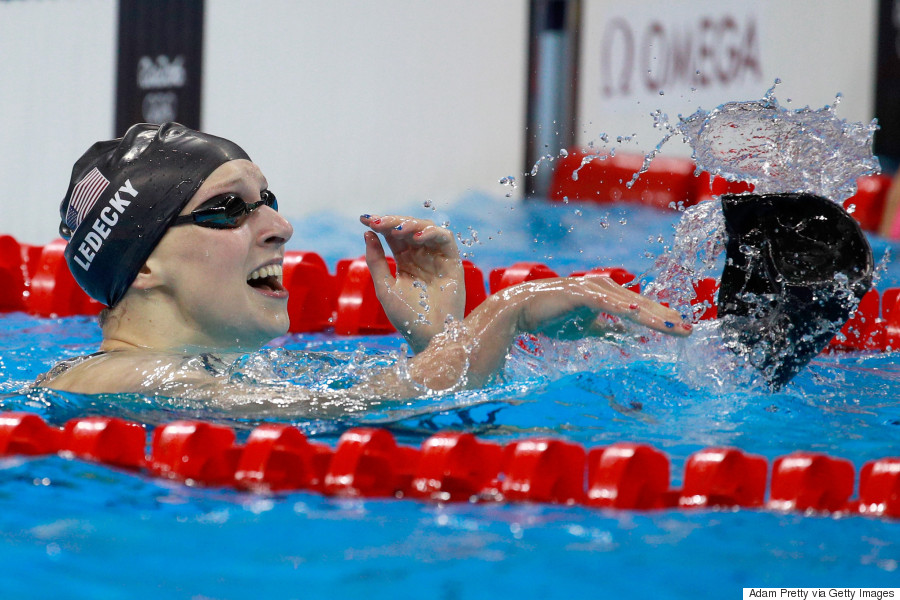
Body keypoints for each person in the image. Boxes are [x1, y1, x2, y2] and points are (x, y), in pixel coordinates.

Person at [35, 122, 691, 407]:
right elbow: (342, 413)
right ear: (143, 263)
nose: (280, 227)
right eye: (228, 208)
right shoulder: (118, 379)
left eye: (269, 201)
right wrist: (507, 314)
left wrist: (439, 339)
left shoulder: (216, 371)